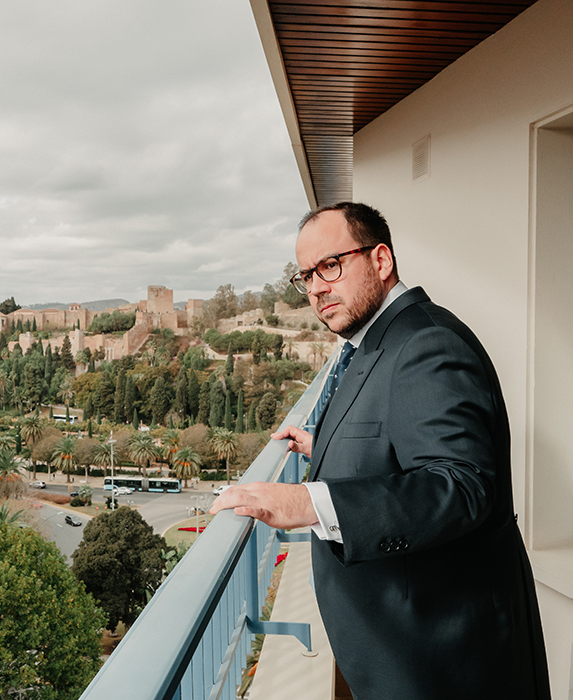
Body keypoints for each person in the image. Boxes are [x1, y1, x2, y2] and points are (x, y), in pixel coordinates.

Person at [209, 202, 550, 699]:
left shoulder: (427, 342)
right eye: (306, 276)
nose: (316, 288)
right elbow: (402, 436)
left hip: (441, 662)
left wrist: (307, 502)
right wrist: (325, 446)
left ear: (381, 260)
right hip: (408, 653)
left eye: (330, 265)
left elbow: (460, 485)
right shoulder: (378, 340)